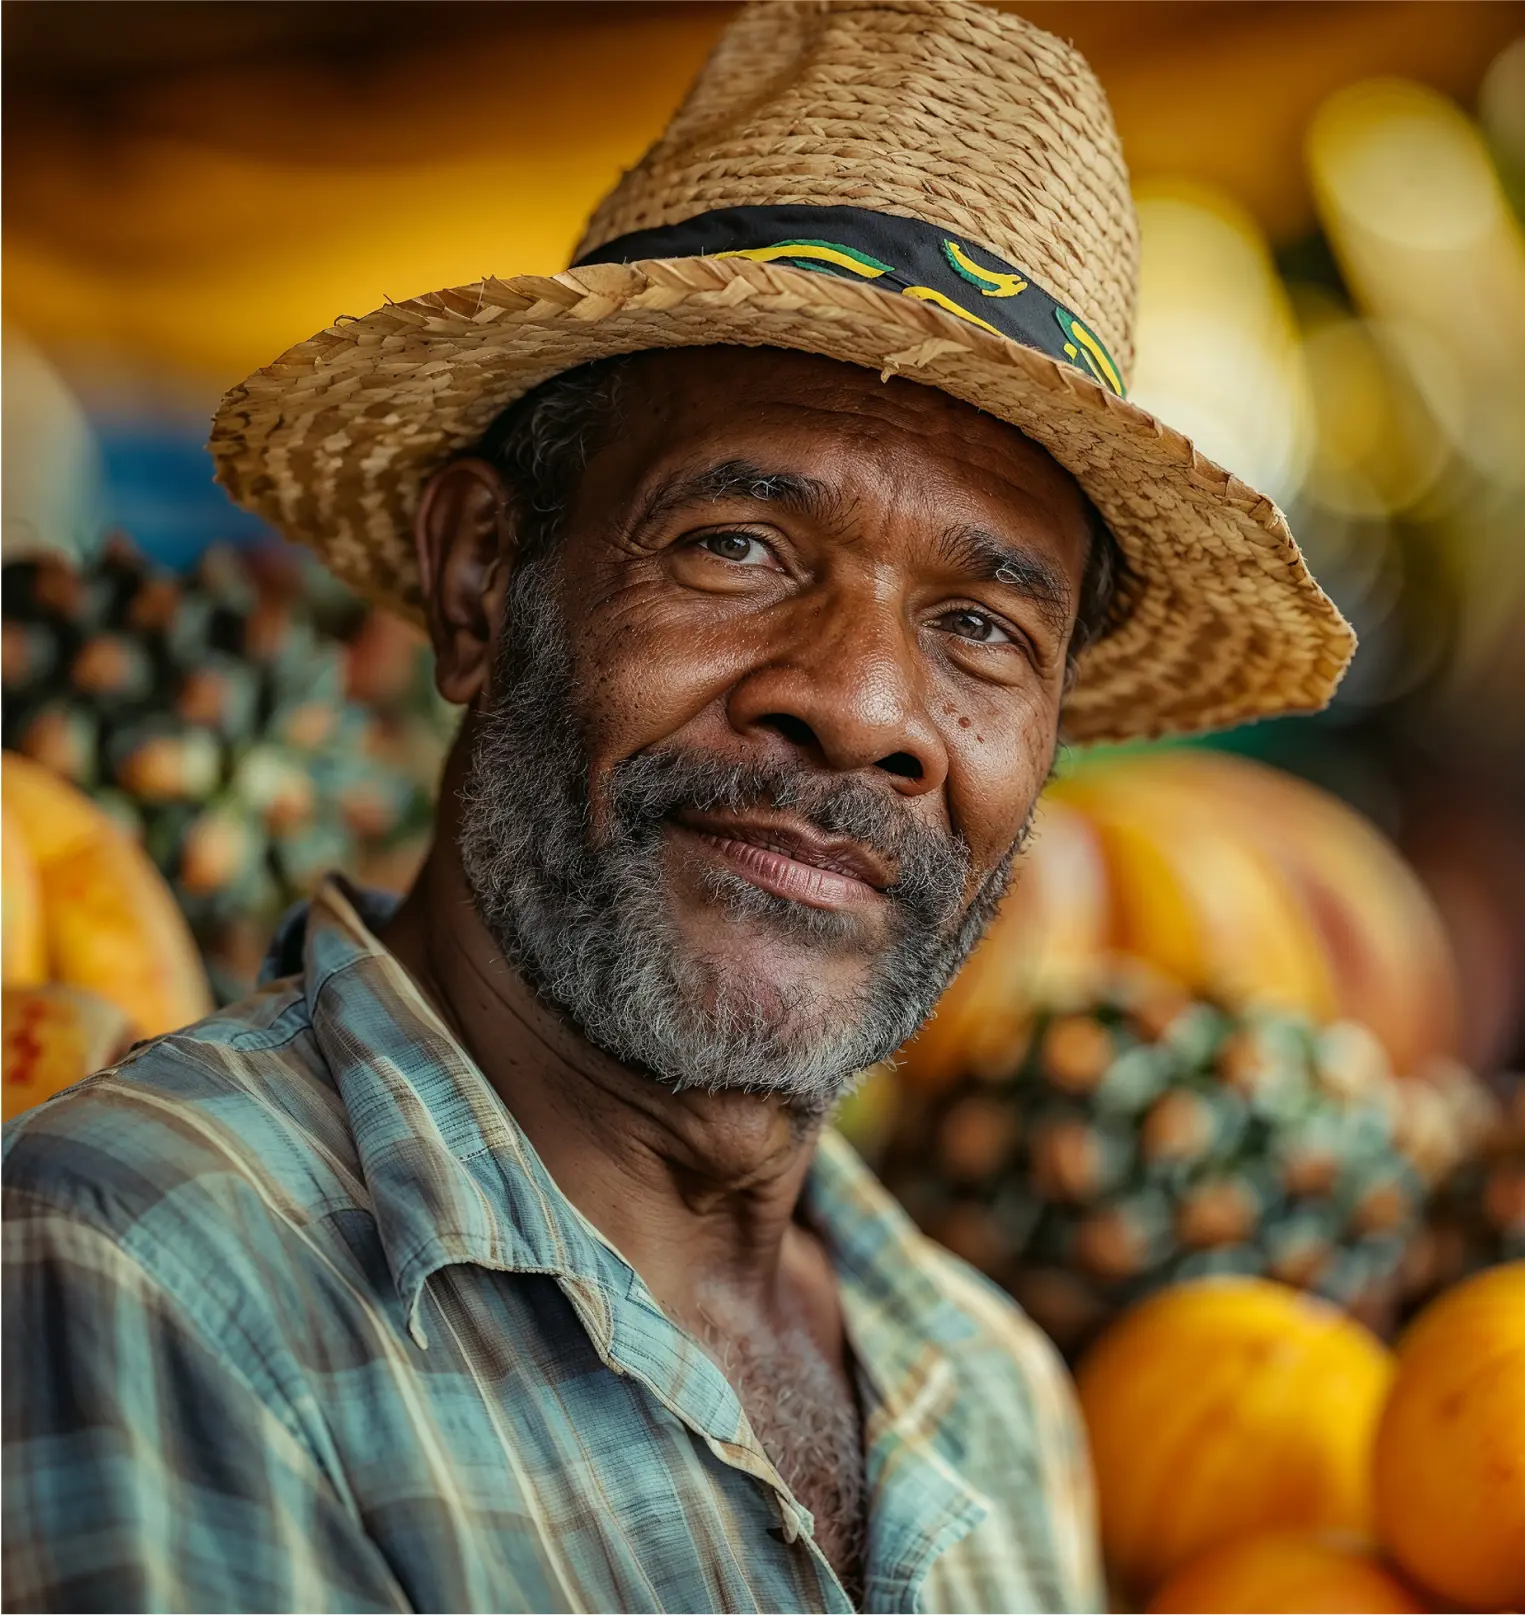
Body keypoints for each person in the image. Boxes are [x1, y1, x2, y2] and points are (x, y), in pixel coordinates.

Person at [2, 3, 1354, 1611]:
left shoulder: (991, 1401)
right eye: (739, 546)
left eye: (982, 628)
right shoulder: (153, 1262)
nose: (859, 705)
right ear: (480, 574)